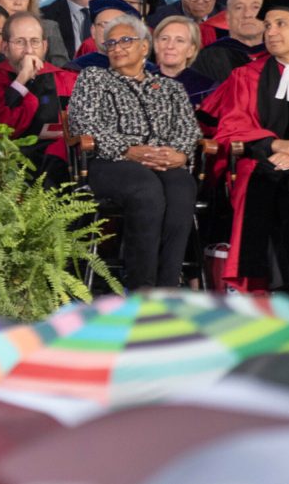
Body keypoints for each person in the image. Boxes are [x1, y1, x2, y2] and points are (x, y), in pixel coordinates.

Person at [68, 15, 202, 290]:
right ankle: (142, 287)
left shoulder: (170, 88)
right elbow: (84, 124)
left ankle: (167, 288)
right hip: (109, 162)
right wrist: (128, 150)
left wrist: (181, 155)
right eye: (111, 43)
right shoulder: (94, 78)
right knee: (145, 187)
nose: (117, 48)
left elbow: (189, 129)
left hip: (162, 162)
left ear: (144, 47)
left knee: (181, 186)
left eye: (126, 40)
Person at [213, 0, 289, 293]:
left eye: (281, 24)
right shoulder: (246, 75)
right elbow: (230, 128)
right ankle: (273, 290)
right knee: (268, 181)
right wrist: (278, 147)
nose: (271, 31)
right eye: (269, 25)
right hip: (261, 162)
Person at [0, 12, 77, 186]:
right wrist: (22, 79)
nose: (29, 50)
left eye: (35, 42)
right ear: (5, 47)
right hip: (4, 165)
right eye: (20, 42)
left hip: (58, 164)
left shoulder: (66, 79)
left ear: (45, 46)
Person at [190, 0, 266, 83]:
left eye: (255, 7)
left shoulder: (281, 57)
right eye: (239, 7)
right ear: (227, 17)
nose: (247, 14)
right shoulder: (205, 59)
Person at [152, 16, 217, 106]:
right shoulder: (139, 82)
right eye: (164, 39)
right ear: (156, 45)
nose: (170, 46)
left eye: (179, 41)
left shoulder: (207, 88)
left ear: (191, 50)